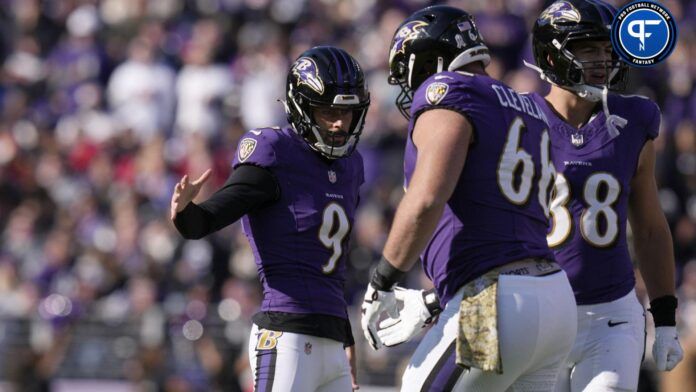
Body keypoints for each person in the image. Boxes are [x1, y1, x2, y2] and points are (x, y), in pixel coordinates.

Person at [360, 5, 577, 391]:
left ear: (433, 61)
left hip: (490, 301)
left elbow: (427, 199)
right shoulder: (527, 104)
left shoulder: (449, 91)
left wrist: (382, 282)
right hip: (553, 299)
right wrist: (433, 300)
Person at [170, 46, 370, 391]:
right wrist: (187, 212)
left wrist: (346, 335)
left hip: (333, 340)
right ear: (301, 107)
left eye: (347, 112)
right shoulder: (276, 150)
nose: (339, 122)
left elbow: (335, 267)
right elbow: (208, 219)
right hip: (287, 333)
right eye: (327, 111)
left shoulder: (351, 166)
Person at [524, 0, 684, 390]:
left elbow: (648, 227)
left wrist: (664, 316)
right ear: (550, 54)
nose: (603, 59)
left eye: (609, 50)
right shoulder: (518, 118)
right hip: (533, 312)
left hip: (610, 314)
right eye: (589, 48)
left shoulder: (633, 120)